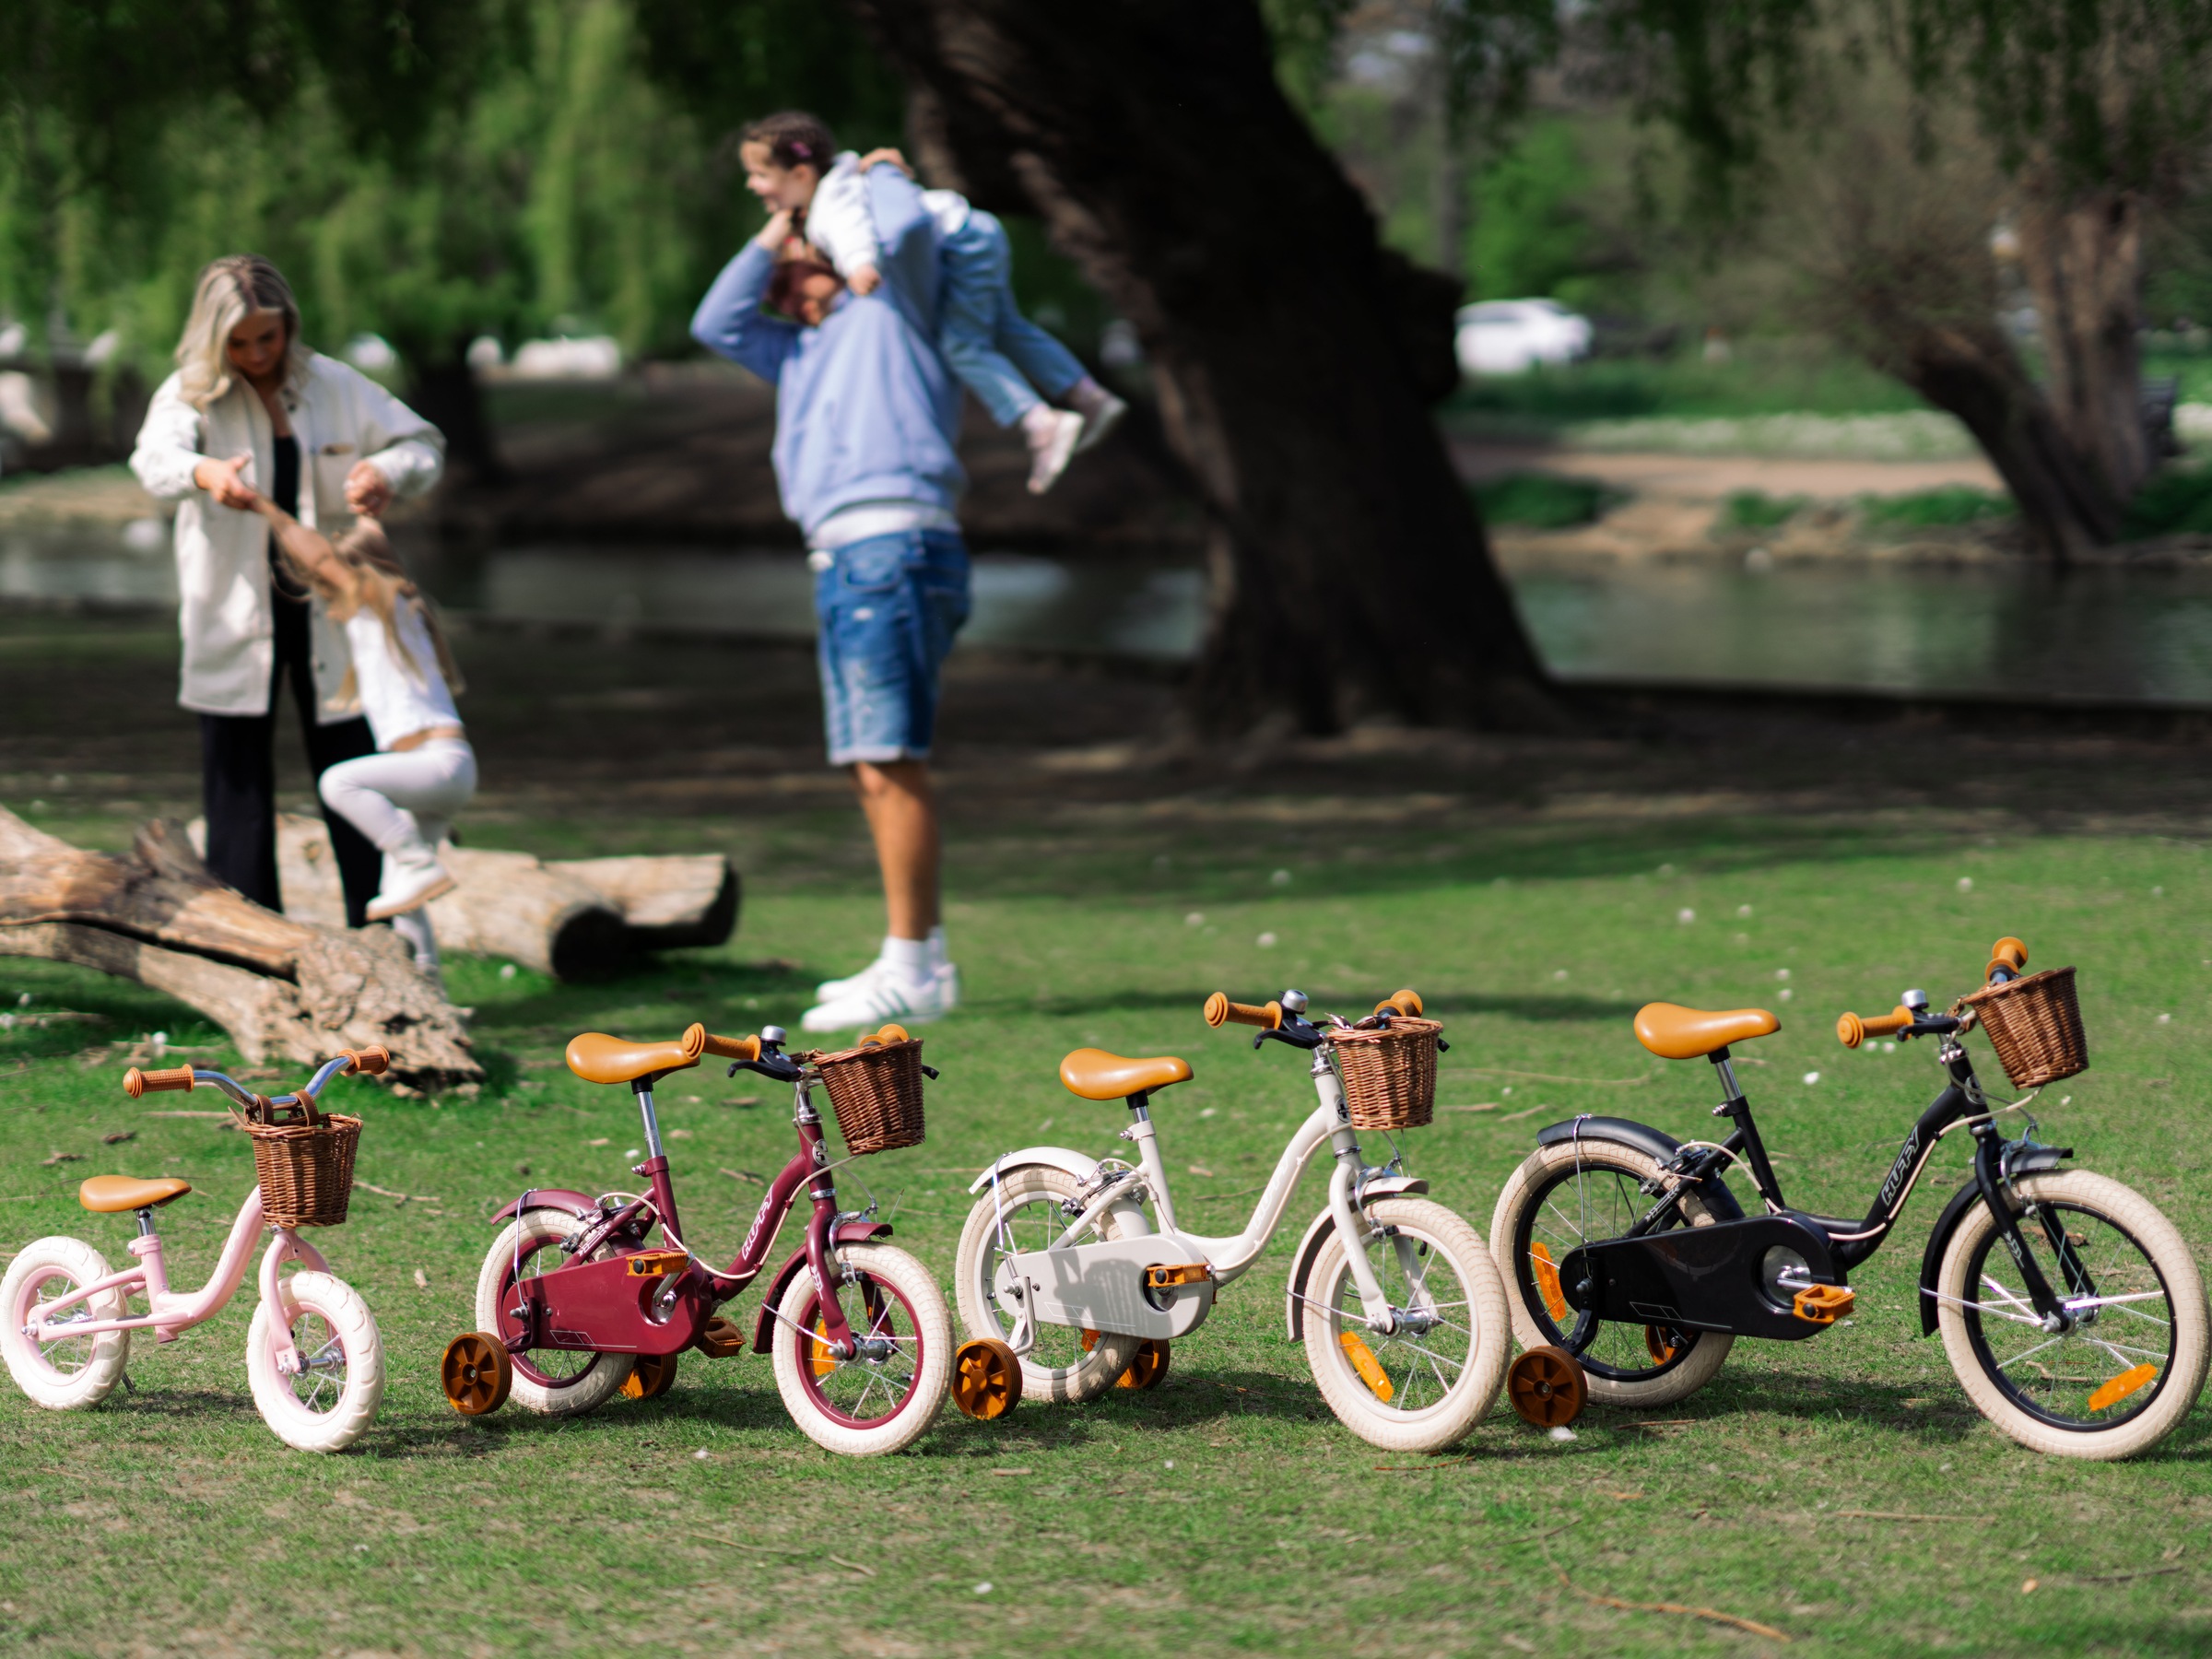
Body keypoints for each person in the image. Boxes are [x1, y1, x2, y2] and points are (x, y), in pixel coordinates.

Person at [691, 149, 971, 1032]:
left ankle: (916, 964)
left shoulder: (888, 305)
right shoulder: (798, 349)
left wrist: (864, 172)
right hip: (848, 556)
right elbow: (714, 319)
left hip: (894, 542)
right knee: (871, 760)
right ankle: (908, 956)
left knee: (892, 757)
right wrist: (779, 225)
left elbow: (911, 223)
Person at [130, 255, 445, 927]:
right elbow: (153, 460)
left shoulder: (334, 383)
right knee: (236, 789)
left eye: (266, 339)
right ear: (213, 339)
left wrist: (385, 471)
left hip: (337, 615)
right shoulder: (189, 392)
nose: (254, 355)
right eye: (237, 343)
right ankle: (253, 946)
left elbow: (424, 444)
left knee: (356, 774)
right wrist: (204, 471)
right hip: (235, 617)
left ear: (289, 326)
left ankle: (381, 938)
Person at [738, 111, 1125, 495]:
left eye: (760, 175)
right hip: (973, 232)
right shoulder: (845, 176)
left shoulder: (828, 209)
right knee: (1008, 329)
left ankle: (1037, 420)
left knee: (960, 344)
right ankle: (1087, 395)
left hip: (959, 248)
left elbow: (850, 229)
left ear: (801, 174)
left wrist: (858, 266)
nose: (752, 185)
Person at [241, 493, 474, 982]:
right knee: (400, 897)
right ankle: (431, 996)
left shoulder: (386, 608)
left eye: (329, 579)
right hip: (437, 774)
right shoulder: (398, 622)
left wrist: (266, 508)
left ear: (360, 573)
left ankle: (414, 859)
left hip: (436, 764)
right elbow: (330, 562)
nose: (326, 592)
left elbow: (317, 555)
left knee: (338, 784)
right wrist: (368, 516)